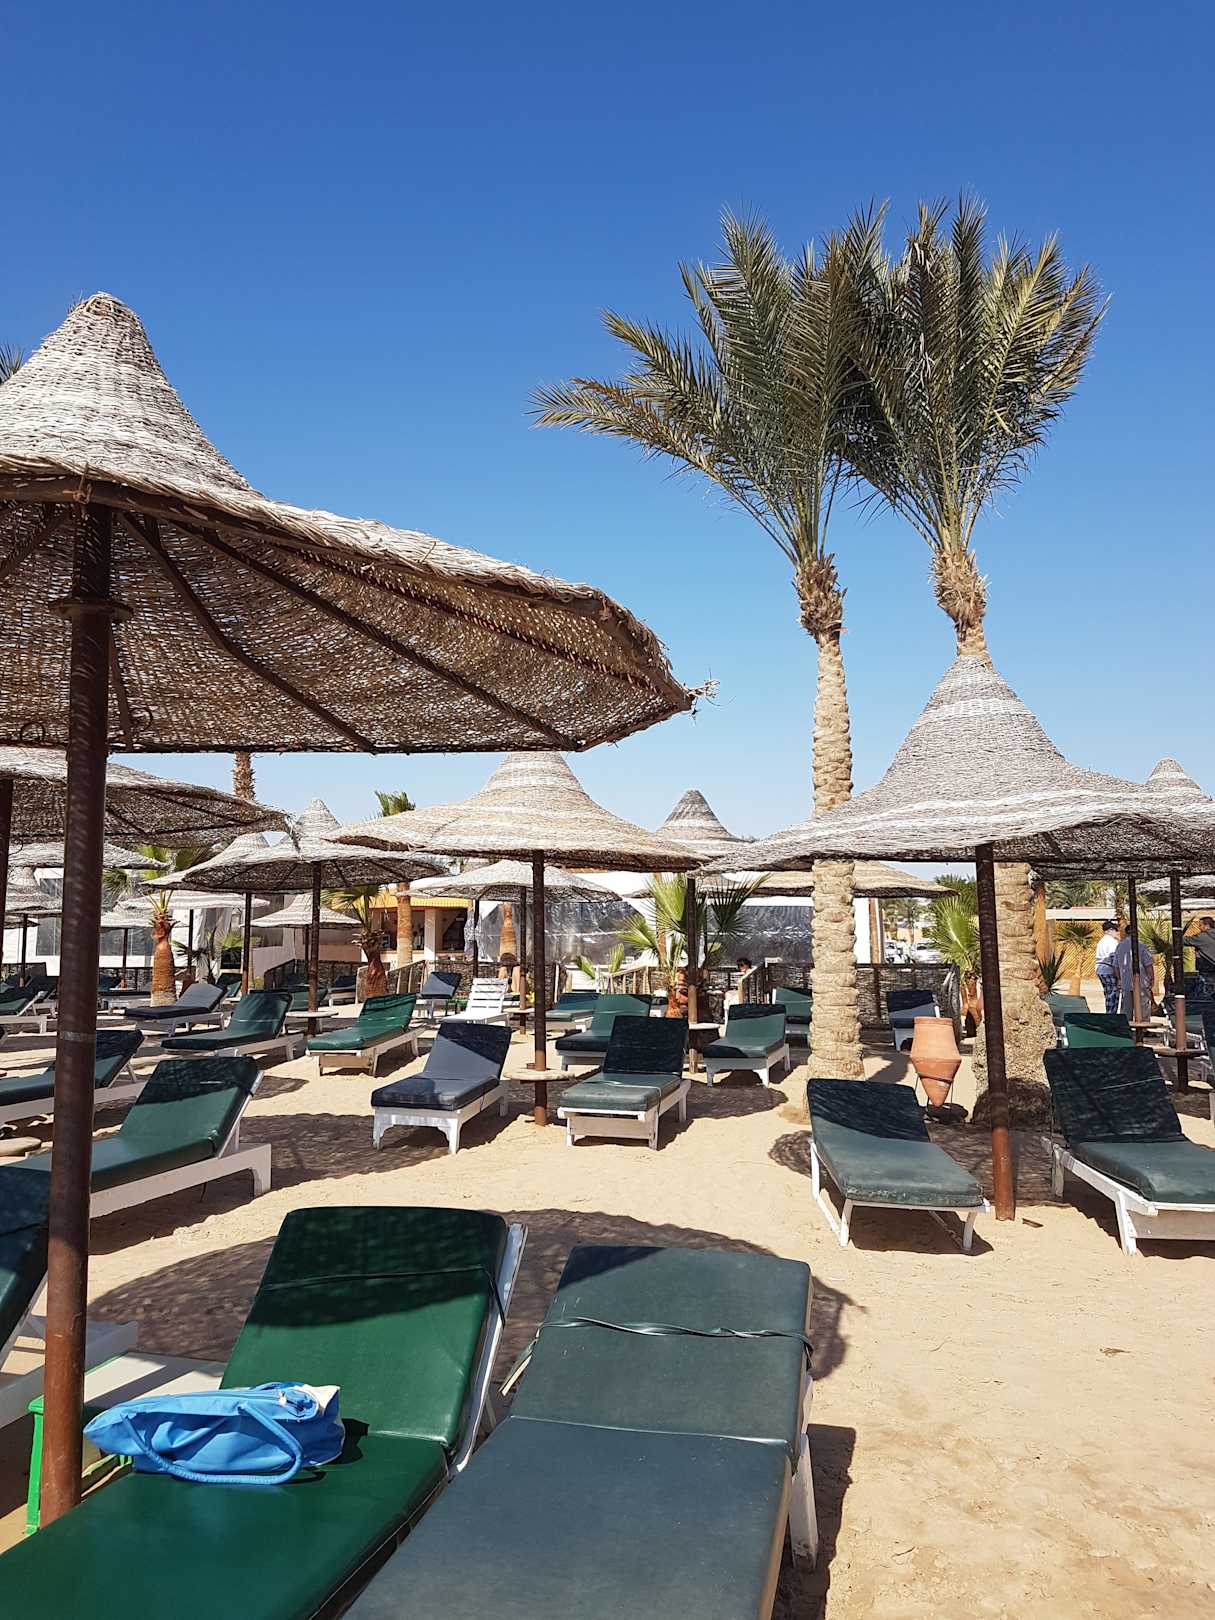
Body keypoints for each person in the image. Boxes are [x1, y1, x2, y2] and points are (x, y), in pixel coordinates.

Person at [1113, 930, 1154, 1021]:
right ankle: (1143, 1026)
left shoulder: (1120, 946)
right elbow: (1148, 965)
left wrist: (1120, 979)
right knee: (1143, 1009)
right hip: (1141, 982)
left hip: (1126, 983)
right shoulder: (1142, 946)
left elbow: (1116, 966)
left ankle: (1126, 1026)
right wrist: (1151, 978)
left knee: (1126, 1010)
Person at [1094, 920, 1120, 1014]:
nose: (1117, 932)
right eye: (1115, 930)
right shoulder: (1112, 942)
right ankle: (1111, 1015)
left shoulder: (1101, 941)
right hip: (1108, 969)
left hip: (1100, 969)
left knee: (1108, 993)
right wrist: (1118, 975)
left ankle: (1108, 1012)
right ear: (1111, 930)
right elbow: (1113, 959)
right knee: (1113, 994)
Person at [1187, 917, 1215, 991]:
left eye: (1200, 925)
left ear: (1207, 926)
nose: (1199, 928)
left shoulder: (1202, 937)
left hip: (1207, 969)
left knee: (1208, 991)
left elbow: (1184, 941)